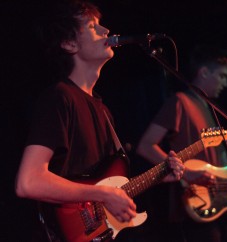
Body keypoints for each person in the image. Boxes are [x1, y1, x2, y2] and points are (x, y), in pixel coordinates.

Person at [14, 1, 184, 241]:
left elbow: (109, 183)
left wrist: (160, 175)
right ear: (69, 43)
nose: (106, 31)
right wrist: (102, 194)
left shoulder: (102, 108)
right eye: (93, 26)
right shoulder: (60, 97)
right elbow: (28, 182)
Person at [136, 45, 227, 242]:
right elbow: (145, 145)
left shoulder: (208, 106)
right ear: (204, 72)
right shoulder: (179, 102)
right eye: (222, 76)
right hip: (195, 200)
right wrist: (187, 173)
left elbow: (221, 158)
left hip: (223, 200)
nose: (225, 83)